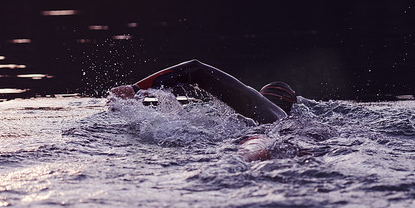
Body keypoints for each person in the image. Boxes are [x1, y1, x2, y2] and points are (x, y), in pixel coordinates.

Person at [109, 59, 297, 124]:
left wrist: (134, 89)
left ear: (260, 97)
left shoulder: (265, 111)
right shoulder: (288, 120)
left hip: (254, 140)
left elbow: (196, 68)